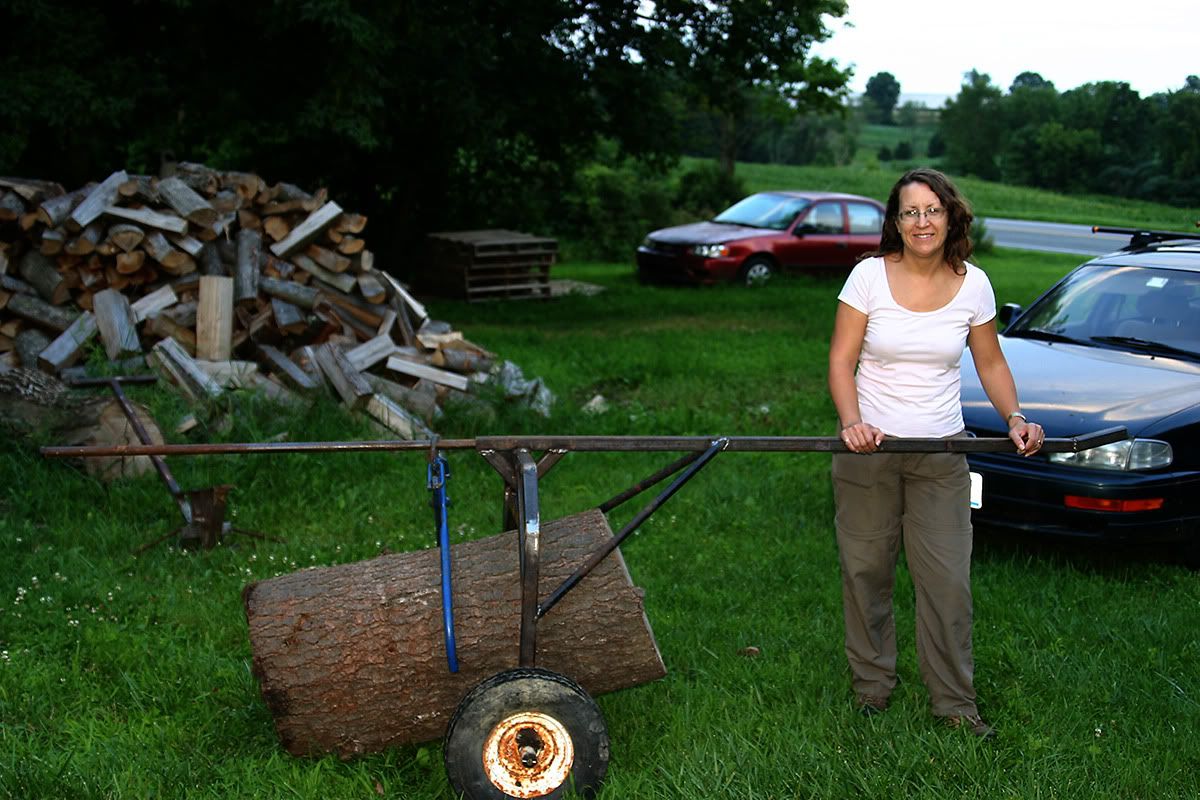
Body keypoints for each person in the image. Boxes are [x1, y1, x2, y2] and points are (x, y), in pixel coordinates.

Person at [826, 167, 1043, 739]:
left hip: (942, 454)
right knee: (866, 572)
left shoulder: (974, 284)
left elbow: (990, 362)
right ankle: (872, 689)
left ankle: (955, 704)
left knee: (947, 582)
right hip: (869, 453)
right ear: (896, 223)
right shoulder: (868, 277)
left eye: (932, 210)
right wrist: (852, 423)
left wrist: (1015, 418)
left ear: (950, 215)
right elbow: (840, 360)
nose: (922, 222)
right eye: (909, 212)